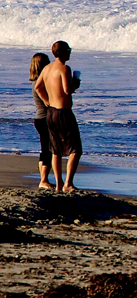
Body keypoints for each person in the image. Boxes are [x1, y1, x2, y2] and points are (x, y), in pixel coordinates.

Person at [33, 41, 82, 192]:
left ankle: (59, 184)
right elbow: (67, 90)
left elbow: (38, 87)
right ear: (63, 52)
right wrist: (75, 83)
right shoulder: (64, 68)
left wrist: (47, 102)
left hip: (51, 112)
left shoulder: (47, 68)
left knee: (56, 150)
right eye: (69, 50)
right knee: (76, 149)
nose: (70, 52)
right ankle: (68, 183)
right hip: (64, 112)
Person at [29, 53, 54, 190]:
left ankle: (44, 179)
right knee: (47, 149)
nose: (49, 64)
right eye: (46, 62)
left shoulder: (37, 81)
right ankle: (43, 180)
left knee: (45, 148)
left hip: (40, 118)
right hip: (44, 118)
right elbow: (49, 100)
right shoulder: (41, 82)